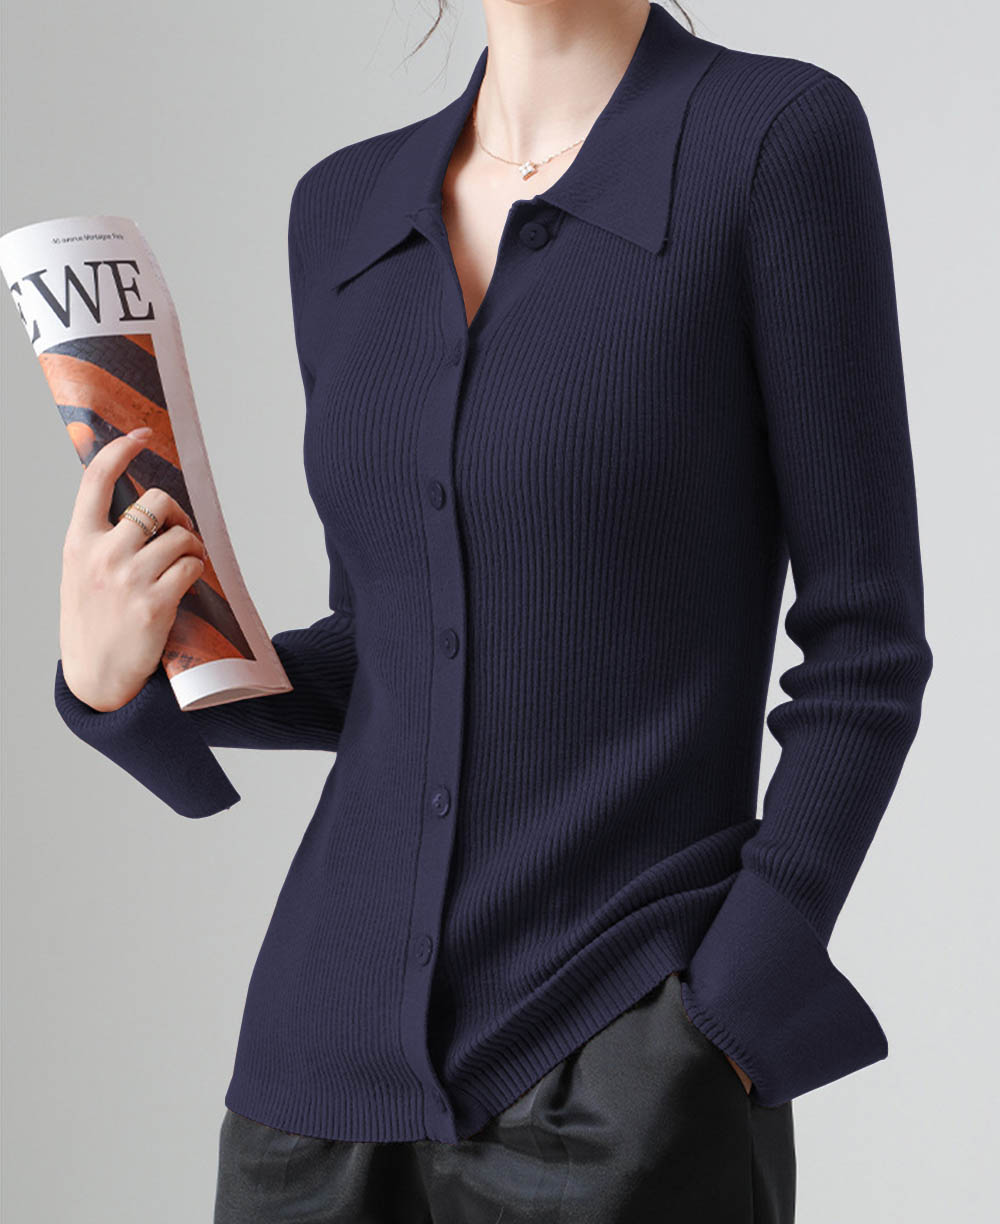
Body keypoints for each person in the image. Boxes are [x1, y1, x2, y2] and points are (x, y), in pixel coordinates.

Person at [53, 1, 933, 1220]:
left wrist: (729, 1007)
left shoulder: (771, 139)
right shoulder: (342, 210)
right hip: (312, 1086)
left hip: (617, 1066)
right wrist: (122, 679)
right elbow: (387, 654)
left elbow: (866, 648)